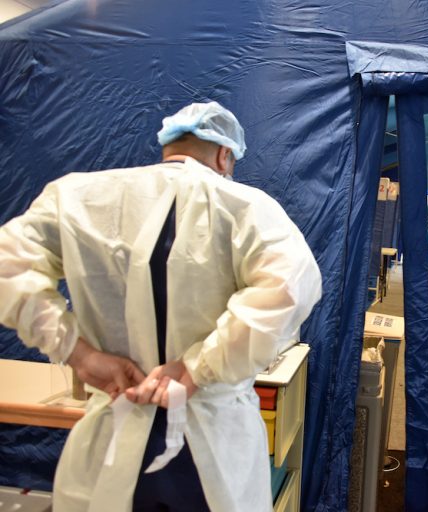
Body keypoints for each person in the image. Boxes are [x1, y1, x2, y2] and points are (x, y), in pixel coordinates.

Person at [0, 101, 322, 511]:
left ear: (168, 146)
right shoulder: (247, 208)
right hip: (212, 445)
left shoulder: (78, 197)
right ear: (225, 154)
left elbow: (7, 264)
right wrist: (196, 369)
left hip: (115, 433)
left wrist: (79, 355)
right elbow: (291, 286)